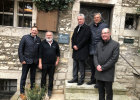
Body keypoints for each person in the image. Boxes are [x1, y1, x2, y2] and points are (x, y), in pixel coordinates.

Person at [94, 28, 119, 100]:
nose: (103, 35)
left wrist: (103, 67)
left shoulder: (115, 44)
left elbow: (114, 59)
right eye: (102, 33)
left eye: (105, 33)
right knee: (100, 91)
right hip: (99, 71)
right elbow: (95, 55)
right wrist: (97, 65)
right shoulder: (99, 44)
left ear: (109, 34)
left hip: (108, 72)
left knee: (109, 92)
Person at [18, 26, 41, 100]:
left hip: (34, 62)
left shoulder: (38, 39)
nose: (34, 32)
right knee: (23, 77)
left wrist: (38, 61)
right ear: (31, 30)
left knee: (33, 77)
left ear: (37, 32)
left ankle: (32, 90)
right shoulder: (25, 37)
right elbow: (20, 49)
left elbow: (39, 51)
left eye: (35, 31)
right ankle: (22, 93)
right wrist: (22, 59)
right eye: (33, 30)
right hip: (26, 61)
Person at [68, 14, 91, 85]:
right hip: (75, 50)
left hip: (82, 50)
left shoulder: (87, 28)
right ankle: (75, 78)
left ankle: (81, 79)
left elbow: (86, 39)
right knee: (75, 64)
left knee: (81, 65)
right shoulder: (76, 28)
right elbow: (73, 38)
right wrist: (73, 46)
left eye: (81, 19)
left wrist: (78, 46)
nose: (79, 20)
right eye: (78, 19)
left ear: (84, 20)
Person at [87, 13, 108, 88]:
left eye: (98, 17)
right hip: (91, 49)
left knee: (99, 66)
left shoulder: (104, 26)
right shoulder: (91, 26)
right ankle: (93, 79)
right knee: (92, 66)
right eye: (95, 17)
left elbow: (106, 37)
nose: (96, 19)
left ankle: (99, 82)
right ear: (93, 18)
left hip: (100, 50)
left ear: (100, 18)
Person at [38, 31, 60, 98]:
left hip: (52, 64)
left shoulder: (55, 43)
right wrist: (40, 63)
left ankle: (49, 91)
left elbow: (58, 53)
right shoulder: (42, 43)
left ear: (52, 36)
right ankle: (43, 91)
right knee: (43, 78)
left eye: (50, 35)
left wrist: (57, 61)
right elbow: (40, 54)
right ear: (45, 36)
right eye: (47, 35)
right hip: (44, 64)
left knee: (51, 78)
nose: (48, 36)